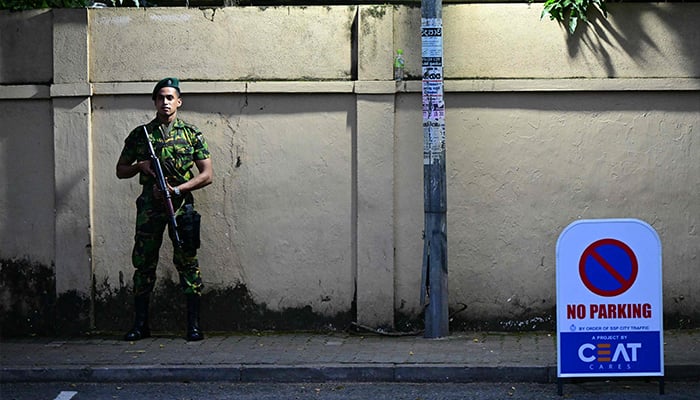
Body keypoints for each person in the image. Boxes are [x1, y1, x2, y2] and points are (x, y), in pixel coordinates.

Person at [116, 77, 213, 341]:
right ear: (155, 102)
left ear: (179, 102)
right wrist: (140, 166)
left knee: (188, 263)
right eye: (160, 97)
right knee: (144, 263)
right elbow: (120, 170)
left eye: (170, 97)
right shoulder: (141, 135)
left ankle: (193, 326)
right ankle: (140, 325)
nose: (165, 102)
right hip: (150, 207)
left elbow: (207, 174)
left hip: (181, 207)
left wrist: (179, 190)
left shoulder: (191, 134)